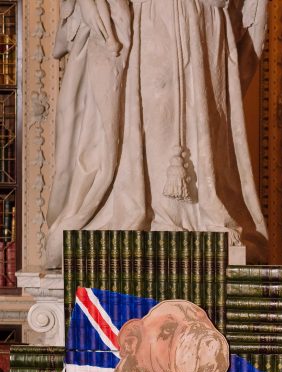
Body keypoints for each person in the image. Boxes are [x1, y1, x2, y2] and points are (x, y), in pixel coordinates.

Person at [45, 0, 269, 269]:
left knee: (203, 118)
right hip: (144, 20)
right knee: (154, 111)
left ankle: (194, 216)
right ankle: (149, 213)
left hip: (203, 20)